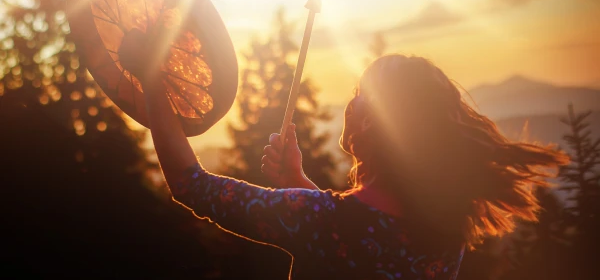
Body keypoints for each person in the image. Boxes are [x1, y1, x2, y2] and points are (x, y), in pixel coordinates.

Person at [134, 52, 568, 279]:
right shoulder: (445, 228)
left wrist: (152, 76)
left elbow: (191, 184)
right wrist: (298, 183)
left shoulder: (321, 222)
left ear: (369, 123)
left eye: (360, 94)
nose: (351, 100)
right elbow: (357, 241)